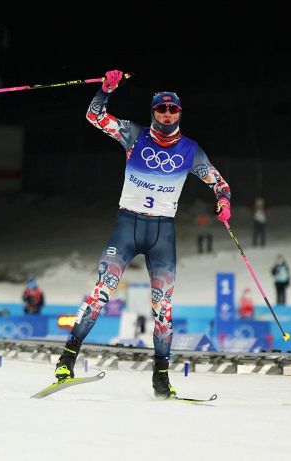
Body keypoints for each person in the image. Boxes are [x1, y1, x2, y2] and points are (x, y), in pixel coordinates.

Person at [53, 70, 232, 399]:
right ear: (153, 112)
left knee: (163, 308)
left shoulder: (191, 150)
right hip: (127, 226)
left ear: (180, 113)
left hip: (162, 233)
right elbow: (94, 116)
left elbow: (219, 183)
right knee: (102, 291)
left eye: (172, 109)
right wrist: (105, 89)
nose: (167, 113)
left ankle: (161, 377)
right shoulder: (133, 135)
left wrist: (223, 201)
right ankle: (67, 359)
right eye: (161, 108)